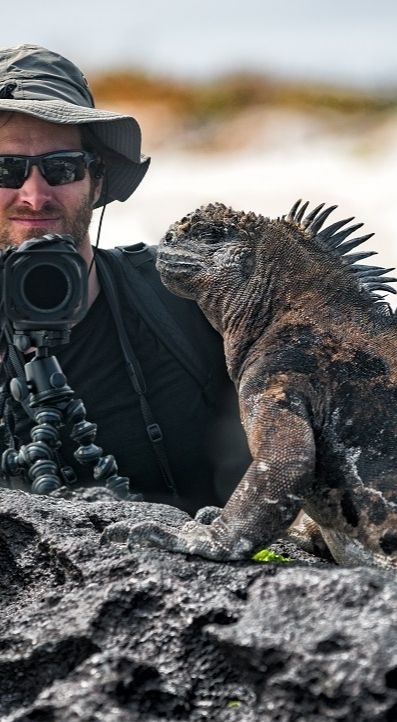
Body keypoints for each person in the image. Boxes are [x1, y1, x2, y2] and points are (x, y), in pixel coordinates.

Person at [0, 44, 251, 513]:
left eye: (63, 168)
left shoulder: (188, 296)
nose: (34, 196)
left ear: (97, 180)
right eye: (5, 170)